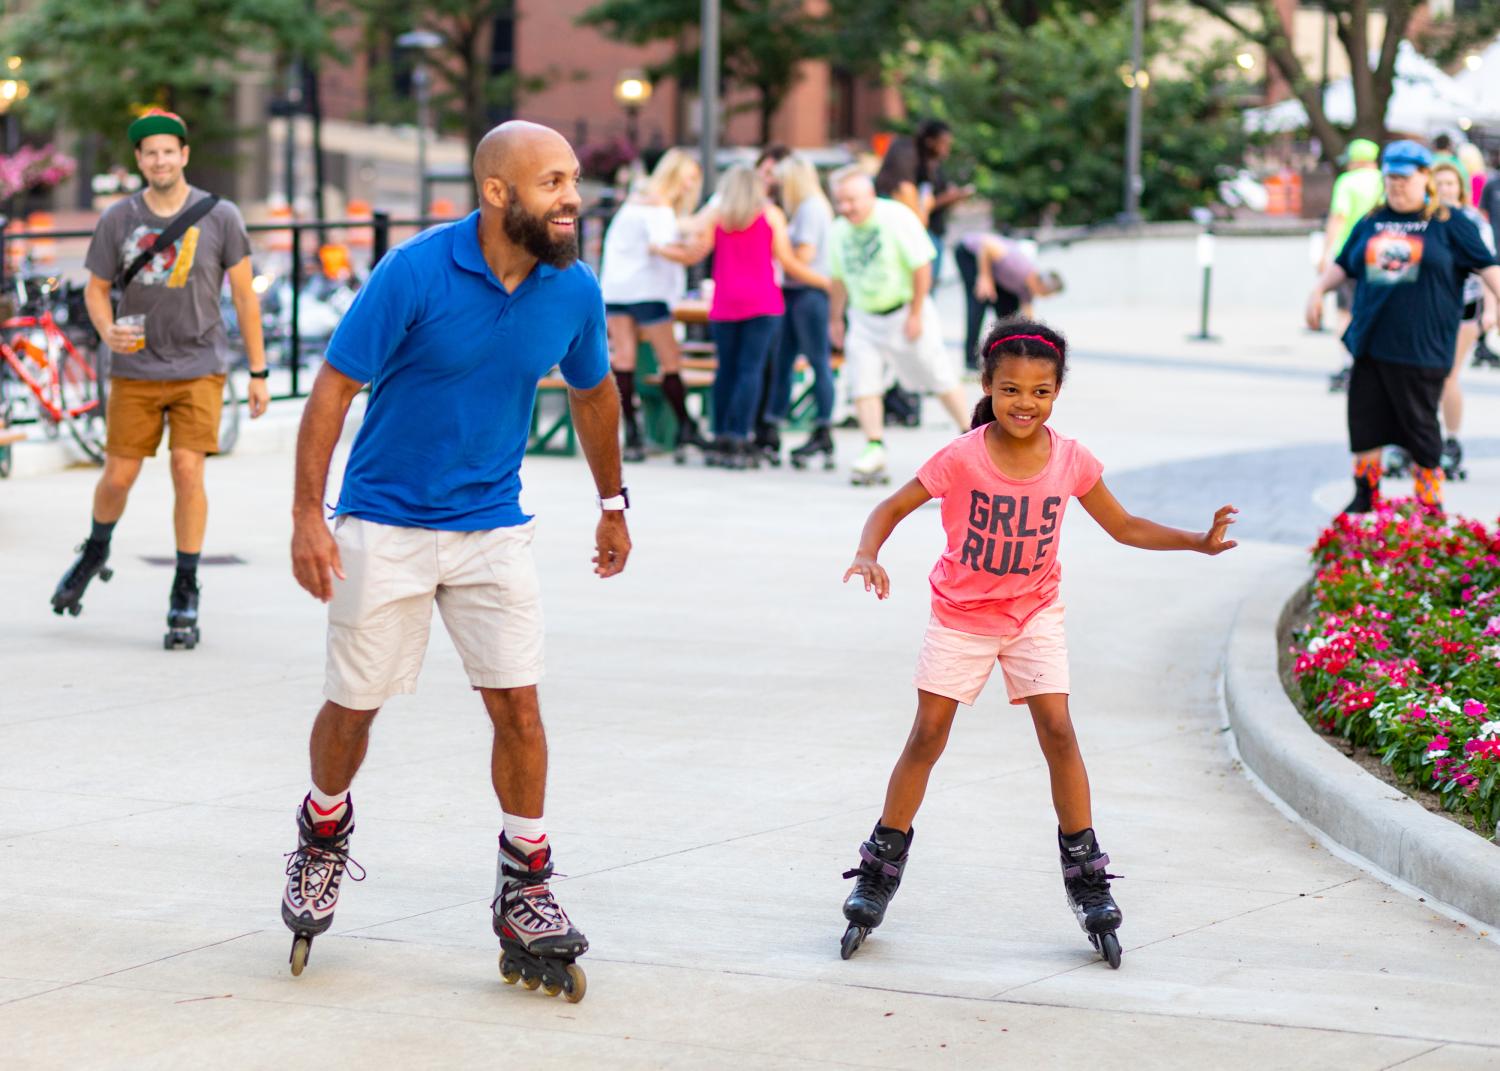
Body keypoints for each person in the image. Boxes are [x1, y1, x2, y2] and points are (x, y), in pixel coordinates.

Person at [281, 121, 630, 1001]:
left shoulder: (571, 287)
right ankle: (323, 833)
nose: (570, 197)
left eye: (574, 178)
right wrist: (306, 516)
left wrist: (613, 502)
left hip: (492, 526)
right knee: (353, 711)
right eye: (552, 181)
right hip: (385, 522)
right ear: (497, 192)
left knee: (520, 705)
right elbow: (333, 385)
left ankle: (527, 883)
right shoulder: (414, 271)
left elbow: (594, 390)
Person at [835, 319, 1238, 964]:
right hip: (962, 614)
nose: (1026, 403)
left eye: (1042, 392)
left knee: (1059, 730)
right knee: (927, 735)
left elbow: (1126, 525)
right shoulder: (961, 456)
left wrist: (1198, 540)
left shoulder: (1071, 459)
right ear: (988, 386)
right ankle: (882, 862)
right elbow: (889, 508)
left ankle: (1086, 871)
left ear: (1057, 394)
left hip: (1033, 613)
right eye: (1012, 389)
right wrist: (867, 553)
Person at [51, 109, 268, 647]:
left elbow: (244, 297)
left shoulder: (221, 217)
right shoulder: (118, 219)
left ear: (184, 155)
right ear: (140, 162)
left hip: (199, 364)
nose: (160, 160)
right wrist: (105, 331)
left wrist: (260, 372)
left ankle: (186, 586)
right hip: (135, 369)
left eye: (169, 150)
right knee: (118, 476)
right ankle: (96, 547)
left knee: (186, 469)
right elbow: (95, 289)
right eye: (150, 153)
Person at [1306, 140, 1500, 514]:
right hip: (1371, 340)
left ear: (1424, 177)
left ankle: (1429, 503)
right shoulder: (1372, 220)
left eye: (1404, 178)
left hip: (1422, 345)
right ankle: (1365, 493)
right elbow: (1344, 264)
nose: (1395, 185)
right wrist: (1316, 291)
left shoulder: (1450, 223)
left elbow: (1488, 266)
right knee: (1364, 424)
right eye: (1390, 178)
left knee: (1421, 428)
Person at [660, 164, 828, 468]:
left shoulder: (718, 217)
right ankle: (740, 436)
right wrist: (826, 282)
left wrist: (665, 247)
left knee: (725, 370)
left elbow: (695, 251)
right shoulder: (771, 216)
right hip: (763, 303)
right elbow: (788, 262)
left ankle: (720, 435)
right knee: (751, 370)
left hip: (725, 303)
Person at [826, 165, 972, 485]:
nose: (845, 208)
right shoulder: (838, 231)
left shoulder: (895, 218)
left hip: (904, 309)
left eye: (852, 200)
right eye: (840, 202)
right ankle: (874, 446)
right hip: (864, 316)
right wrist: (836, 318)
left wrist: (916, 312)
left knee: (937, 373)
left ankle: (970, 435)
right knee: (863, 381)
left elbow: (922, 266)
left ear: (869, 195)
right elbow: (837, 278)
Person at [598, 147, 707, 462]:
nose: (689, 186)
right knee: (670, 359)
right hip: (647, 291)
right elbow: (662, 246)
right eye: (687, 179)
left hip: (616, 289)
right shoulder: (658, 204)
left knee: (624, 360)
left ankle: (631, 433)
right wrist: (691, 254)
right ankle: (685, 427)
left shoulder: (636, 200)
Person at [761, 153, 838, 469]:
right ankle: (774, 425)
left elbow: (803, 257)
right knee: (784, 361)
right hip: (797, 293)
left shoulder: (810, 209)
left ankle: (822, 428)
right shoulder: (808, 208)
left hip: (808, 294)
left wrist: (778, 246)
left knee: (817, 361)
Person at [1430, 161, 1495, 478]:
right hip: (1429, 309)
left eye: (1450, 184)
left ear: (1460, 188)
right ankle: (1415, 438)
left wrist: (1492, 309)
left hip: (1464, 307)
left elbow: (1487, 265)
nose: (1444, 189)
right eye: (1438, 183)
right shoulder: (1423, 220)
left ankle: (1451, 441)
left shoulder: (1470, 221)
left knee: (1447, 375)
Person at [1319, 138, 1384, 392]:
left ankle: (1349, 362)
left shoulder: (1347, 182)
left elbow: (1338, 217)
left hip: (1352, 254)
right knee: (1374, 307)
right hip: (1380, 254)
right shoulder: (1385, 180)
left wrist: (1326, 254)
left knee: (1346, 311)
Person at [956, 232, 1064, 366]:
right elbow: (987, 246)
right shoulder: (1018, 267)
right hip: (971, 252)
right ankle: (970, 362)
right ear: (1041, 285)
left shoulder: (1027, 291)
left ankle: (1003, 355)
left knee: (1008, 314)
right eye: (1045, 294)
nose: (1042, 297)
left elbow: (1028, 318)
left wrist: (1035, 346)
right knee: (979, 302)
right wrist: (985, 277)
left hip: (993, 266)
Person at [915, 119, 975, 288]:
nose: (946, 149)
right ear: (930, 142)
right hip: (927, 232)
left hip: (938, 229)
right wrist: (951, 197)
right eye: (943, 143)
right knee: (927, 283)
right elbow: (924, 203)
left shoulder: (937, 166)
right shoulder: (921, 168)